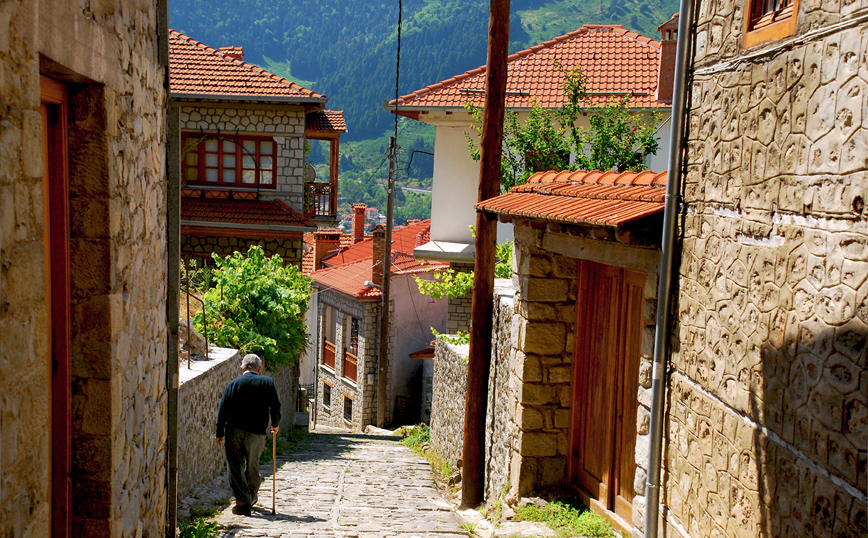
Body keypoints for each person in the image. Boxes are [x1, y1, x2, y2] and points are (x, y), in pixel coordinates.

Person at [215, 354, 281, 516]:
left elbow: (223, 409)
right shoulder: (267, 382)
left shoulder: (233, 384)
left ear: (242, 367)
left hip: (234, 431)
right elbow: (275, 405)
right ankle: (251, 496)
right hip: (257, 432)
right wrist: (275, 424)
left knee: (235, 466)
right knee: (252, 465)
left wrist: (219, 432)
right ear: (259, 368)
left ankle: (243, 502)